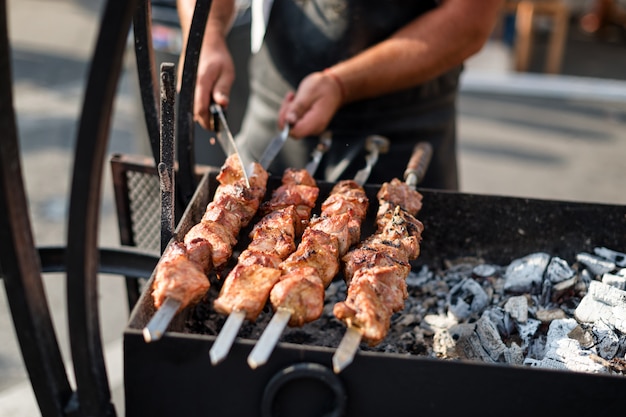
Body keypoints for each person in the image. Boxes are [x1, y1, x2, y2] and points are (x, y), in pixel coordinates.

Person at [177, 0, 504, 189]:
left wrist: (341, 83)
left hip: (404, 134)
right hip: (274, 113)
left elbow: (470, 20)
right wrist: (205, 38)